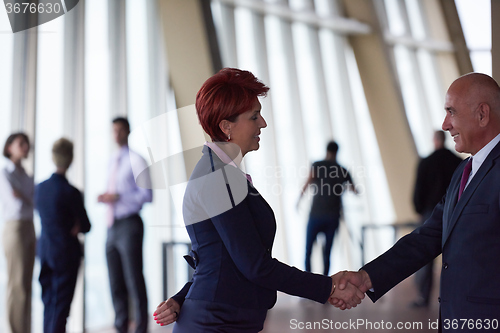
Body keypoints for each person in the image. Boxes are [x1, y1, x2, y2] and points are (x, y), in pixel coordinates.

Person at [152, 68, 364, 332]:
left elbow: (218, 257)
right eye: (254, 116)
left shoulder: (223, 171)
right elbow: (254, 265)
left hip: (225, 317)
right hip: (216, 322)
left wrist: (182, 297)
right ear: (226, 126)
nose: (263, 123)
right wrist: (328, 287)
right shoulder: (218, 176)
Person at [332, 73, 500, 330]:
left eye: (451, 112)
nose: (445, 124)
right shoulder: (463, 171)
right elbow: (429, 235)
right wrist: (368, 277)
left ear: (482, 114)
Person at [98, 117, 153, 333]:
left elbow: (147, 195)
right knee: (115, 280)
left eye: (120, 130)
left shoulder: (136, 159)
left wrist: (118, 197)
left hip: (130, 224)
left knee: (133, 278)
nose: (116, 134)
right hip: (112, 225)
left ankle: (141, 327)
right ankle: (120, 325)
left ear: (128, 131)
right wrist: (107, 197)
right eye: (113, 130)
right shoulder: (112, 161)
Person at [35, 138, 91, 333]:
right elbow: (86, 225)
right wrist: (76, 224)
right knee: (61, 308)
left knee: (49, 304)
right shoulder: (71, 192)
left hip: (44, 251)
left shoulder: (40, 188)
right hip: (66, 253)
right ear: (70, 159)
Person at [411, 130, 461, 307]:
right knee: (454, 255)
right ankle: (453, 298)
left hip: (430, 212)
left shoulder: (426, 162)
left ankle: (424, 297)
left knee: (425, 255)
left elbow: (419, 189)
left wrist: (418, 208)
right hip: (454, 212)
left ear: (434, 141)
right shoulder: (457, 162)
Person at [298, 141, 356, 276]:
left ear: (326, 150)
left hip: (316, 214)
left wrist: (298, 200)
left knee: (308, 250)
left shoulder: (318, 165)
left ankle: (308, 282)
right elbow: (354, 189)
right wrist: (340, 187)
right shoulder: (343, 170)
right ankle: (325, 282)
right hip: (333, 215)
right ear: (337, 151)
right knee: (327, 252)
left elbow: (308, 183)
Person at [0, 133, 35, 333]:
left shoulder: (26, 175)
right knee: (17, 284)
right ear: (9, 147)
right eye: (20, 143)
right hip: (14, 228)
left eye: (26, 144)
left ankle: (25, 329)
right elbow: (16, 203)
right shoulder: (5, 173)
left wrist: (23, 196)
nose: (25, 147)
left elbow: (30, 203)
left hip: (29, 226)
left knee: (27, 285)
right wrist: (25, 197)